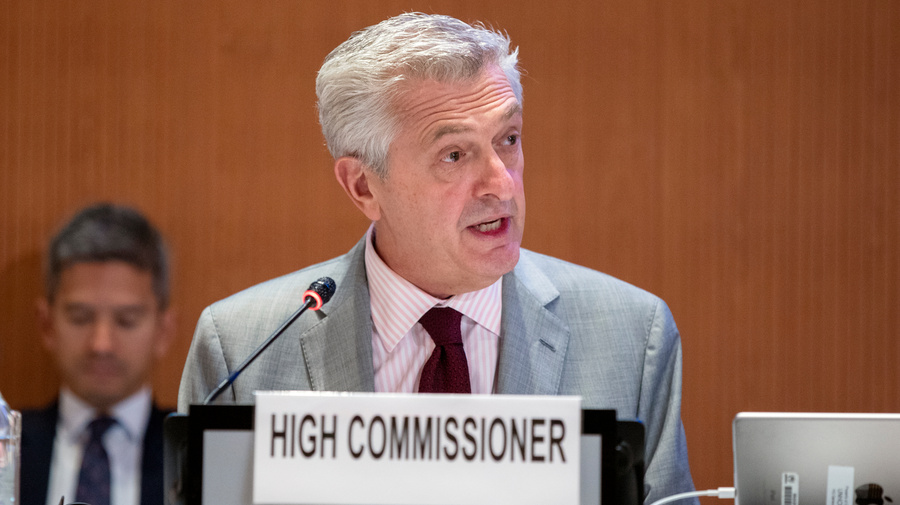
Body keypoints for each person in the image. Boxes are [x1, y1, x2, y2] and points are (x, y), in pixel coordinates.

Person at [178, 12, 696, 503]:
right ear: (363, 186)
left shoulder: (633, 335)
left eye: (508, 139)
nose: (502, 184)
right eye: (455, 154)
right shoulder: (240, 347)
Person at [22, 203, 175, 505]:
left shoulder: (195, 454)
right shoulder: (7, 447)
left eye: (126, 320)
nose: (101, 344)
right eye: (80, 317)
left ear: (164, 330)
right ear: (46, 324)